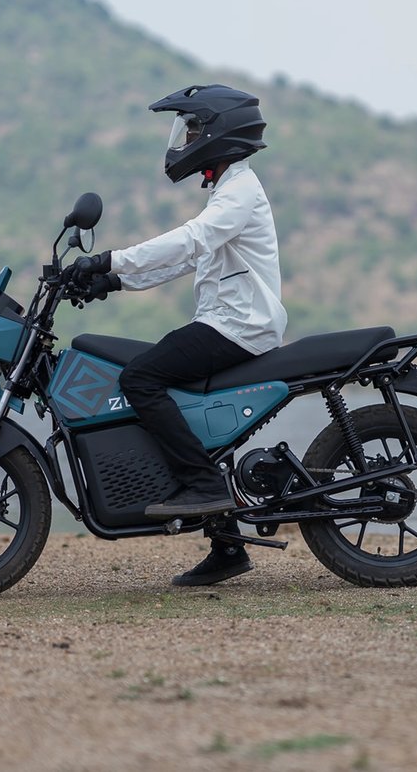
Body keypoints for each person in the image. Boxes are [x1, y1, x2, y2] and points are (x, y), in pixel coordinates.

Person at [72, 83, 287, 587]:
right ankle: (228, 547)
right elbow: (189, 256)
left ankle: (204, 485)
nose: (185, 137)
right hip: (227, 322)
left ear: (218, 130)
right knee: (187, 408)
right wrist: (112, 280)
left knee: (141, 377)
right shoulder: (228, 189)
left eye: (191, 127)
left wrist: (110, 259)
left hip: (239, 327)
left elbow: (192, 240)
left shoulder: (239, 191)